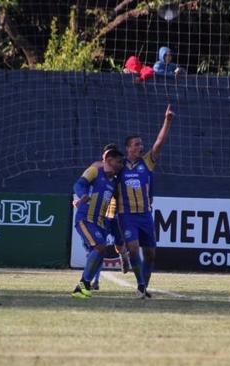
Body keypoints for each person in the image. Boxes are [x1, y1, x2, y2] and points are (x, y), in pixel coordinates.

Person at [116, 104, 175, 298]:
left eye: (141, 144)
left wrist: (167, 121)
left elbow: (158, 144)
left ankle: (144, 287)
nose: (140, 147)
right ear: (127, 148)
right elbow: (104, 165)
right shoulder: (119, 165)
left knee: (150, 253)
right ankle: (141, 285)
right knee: (133, 248)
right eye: (136, 144)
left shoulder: (147, 162)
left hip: (145, 215)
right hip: (127, 215)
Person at [71, 149, 124, 298]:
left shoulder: (114, 182)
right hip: (85, 218)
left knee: (99, 251)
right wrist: (83, 195)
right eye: (118, 162)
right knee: (99, 247)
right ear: (108, 160)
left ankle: (84, 285)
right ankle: (84, 284)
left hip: (99, 222)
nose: (121, 166)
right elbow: (78, 184)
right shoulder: (95, 171)